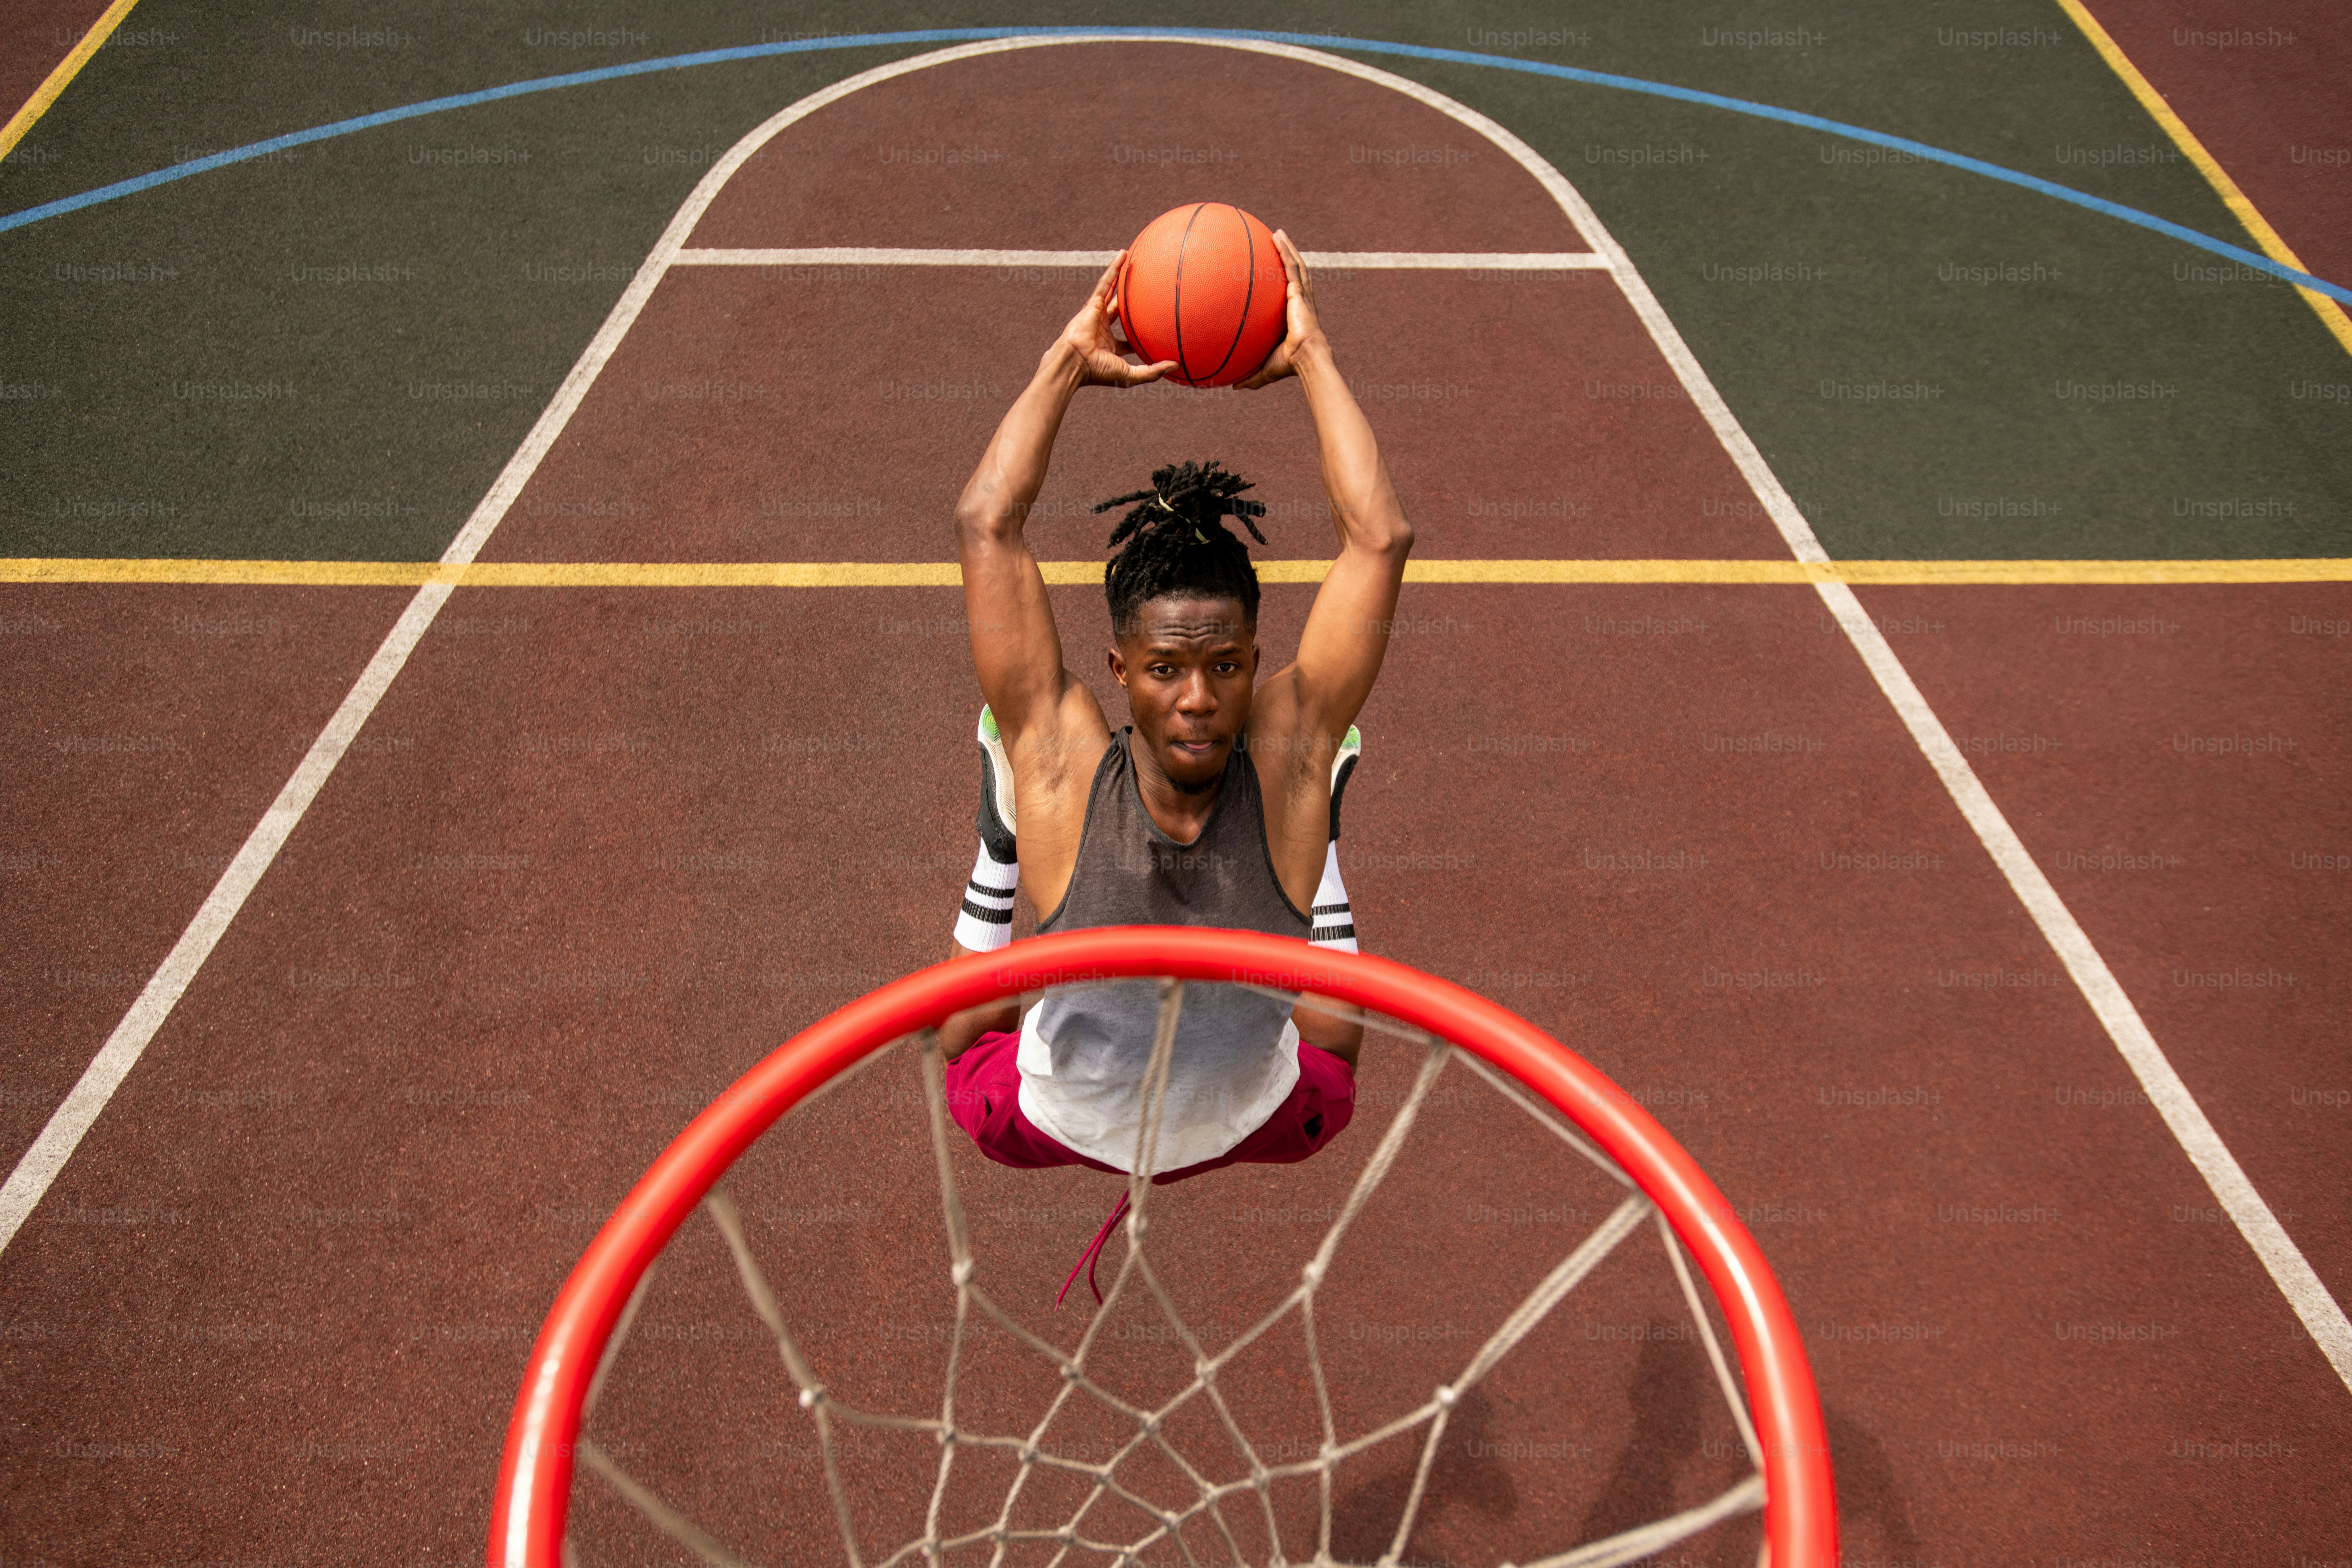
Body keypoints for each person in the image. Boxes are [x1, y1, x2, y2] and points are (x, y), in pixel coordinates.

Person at [940, 233, 1414, 1300]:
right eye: (1163, 670)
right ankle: (1302, 862)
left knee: (970, 1043)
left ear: (1255, 659)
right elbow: (985, 524)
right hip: (1207, 1113)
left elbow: (1383, 539)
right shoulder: (1079, 761)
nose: (1197, 699)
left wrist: (1314, 350)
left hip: (1163, 1113)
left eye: (1224, 667)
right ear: (1117, 667)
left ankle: (1004, 851)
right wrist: (1072, 353)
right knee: (1328, 1043)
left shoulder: (1072, 755)